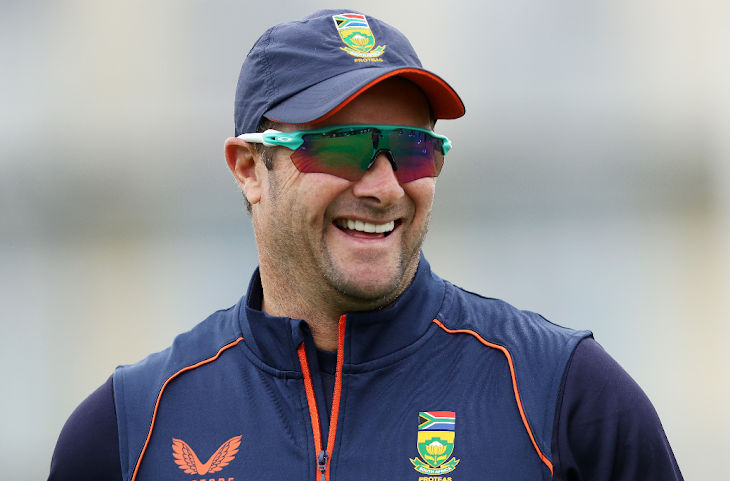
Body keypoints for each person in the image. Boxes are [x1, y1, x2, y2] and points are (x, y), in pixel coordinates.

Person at [49, 9, 683, 481]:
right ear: (248, 168)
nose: (384, 188)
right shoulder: (126, 428)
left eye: (413, 151)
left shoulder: (566, 397)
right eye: (343, 146)